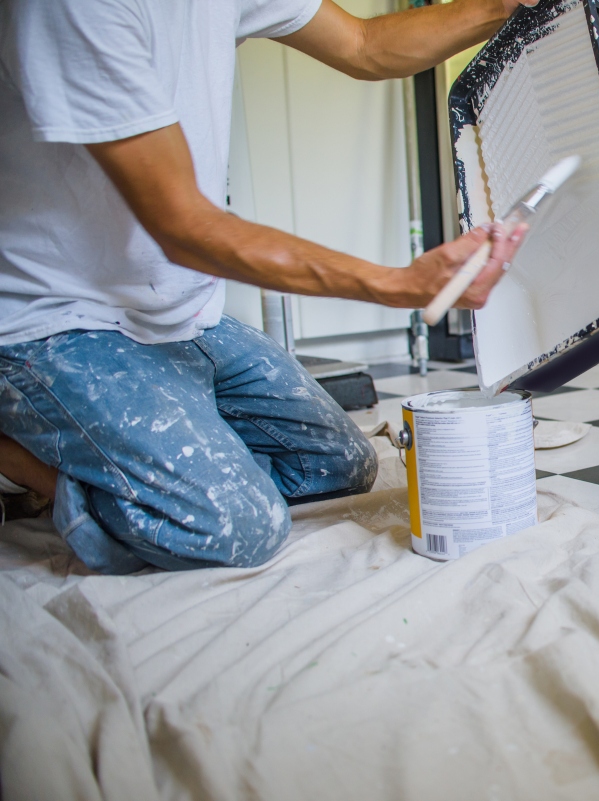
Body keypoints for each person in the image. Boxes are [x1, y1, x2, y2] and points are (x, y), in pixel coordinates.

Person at [0, 0, 535, 573]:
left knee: (336, 468)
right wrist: (397, 283)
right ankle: (25, 458)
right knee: (233, 529)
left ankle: (137, 454)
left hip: (173, 312)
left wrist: (506, 5)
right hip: (49, 324)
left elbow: (364, 45)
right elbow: (185, 227)